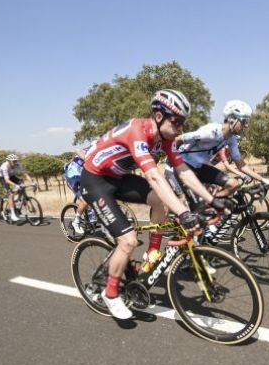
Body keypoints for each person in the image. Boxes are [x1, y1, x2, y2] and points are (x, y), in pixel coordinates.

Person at [81, 89, 231, 320]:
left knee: (161, 200)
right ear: (159, 116)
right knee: (128, 241)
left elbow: (183, 171)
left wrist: (212, 199)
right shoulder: (138, 131)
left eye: (184, 123)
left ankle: (152, 251)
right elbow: (154, 177)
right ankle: (110, 294)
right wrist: (183, 213)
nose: (181, 128)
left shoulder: (166, 139)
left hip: (119, 176)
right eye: (177, 121)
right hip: (96, 180)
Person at [172, 99, 269, 199]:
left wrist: (262, 179)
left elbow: (240, 164)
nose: (246, 126)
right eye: (244, 121)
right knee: (188, 201)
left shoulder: (232, 138)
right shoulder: (211, 132)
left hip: (200, 167)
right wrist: (171, 161)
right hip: (184, 164)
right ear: (232, 118)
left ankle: (211, 203)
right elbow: (179, 139)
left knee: (233, 184)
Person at [0, 154, 35, 222]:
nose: (15, 162)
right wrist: (16, 185)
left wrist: (32, 182)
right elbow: (7, 180)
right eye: (13, 161)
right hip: (3, 178)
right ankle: (12, 214)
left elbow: (25, 174)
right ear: (9, 161)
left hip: (12, 176)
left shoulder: (18, 164)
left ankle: (17, 202)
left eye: (16, 161)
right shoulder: (4, 166)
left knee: (22, 184)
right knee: (10, 194)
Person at [64, 148, 91, 234]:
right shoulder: (89, 151)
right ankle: (76, 222)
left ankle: (90, 217)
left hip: (82, 178)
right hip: (72, 178)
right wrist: (85, 158)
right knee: (84, 201)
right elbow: (77, 150)